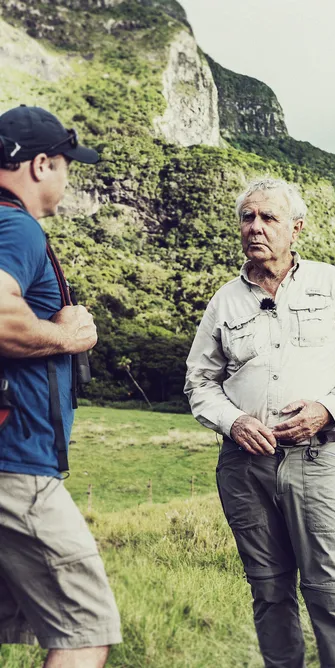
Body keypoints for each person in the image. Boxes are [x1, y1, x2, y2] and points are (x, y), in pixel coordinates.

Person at [185, 177, 335, 667]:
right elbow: (198, 382)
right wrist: (232, 421)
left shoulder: (329, 283)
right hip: (244, 468)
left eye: (268, 218)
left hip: (314, 460)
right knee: (270, 592)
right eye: (248, 217)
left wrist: (328, 409)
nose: (256, 227)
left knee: (331, 591)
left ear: (296, 228)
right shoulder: (225, 301)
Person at [0, 106, 121, 668]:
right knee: (84, 631)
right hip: (15, 466)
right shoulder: (15, 226)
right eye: (67, 165)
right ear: (40, 163)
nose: (69, 177)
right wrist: (69, 336)